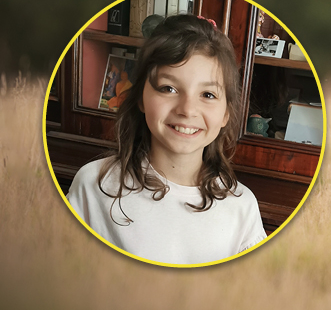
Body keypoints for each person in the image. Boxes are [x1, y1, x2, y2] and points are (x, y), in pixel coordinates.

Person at [67, 14, 267, 265]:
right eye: (168, 88)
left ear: (226, 113)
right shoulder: (94, 185)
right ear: (140, 97)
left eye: (207, 94)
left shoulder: (242, 207)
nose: (187, 109)